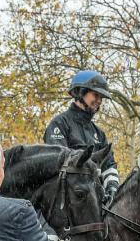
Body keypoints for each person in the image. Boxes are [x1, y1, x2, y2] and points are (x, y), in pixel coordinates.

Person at [44, 70, 119, 204]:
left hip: (95, 200)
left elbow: (109, 165)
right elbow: (58, 161)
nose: (99, 101)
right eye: (96, 95)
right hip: (66, 203)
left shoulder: (99, 133)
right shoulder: (59, 124)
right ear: (80, 92)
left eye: (101, 98)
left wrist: (112, 188)